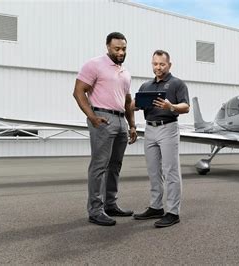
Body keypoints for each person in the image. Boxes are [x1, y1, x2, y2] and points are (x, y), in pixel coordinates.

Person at [73, 32, 137, 226]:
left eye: (124, 49)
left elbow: (127, 102)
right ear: (108, 47)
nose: (120, 52)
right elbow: (78, 91)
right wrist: (91, 116)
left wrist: (132, 125)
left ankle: (110, 204)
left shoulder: (125, 73)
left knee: (115, 165)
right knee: (99, 165)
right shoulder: (94, 64)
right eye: (117, 48)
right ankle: (95, 210)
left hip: (120, 121)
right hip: (102, 118)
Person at [133, 50, 190, 228]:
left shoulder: (177, 84)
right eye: (155, 64)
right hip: (149, 129)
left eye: (162, 64)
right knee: (153, 170)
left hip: (168, 128)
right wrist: (134, 106)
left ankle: (173, 212)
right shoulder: (145, 86)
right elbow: (133, 106)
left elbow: (186, 107)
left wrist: (170, 106)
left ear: (169, 65)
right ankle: (156, 207)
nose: (158, 67)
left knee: (170, 171)